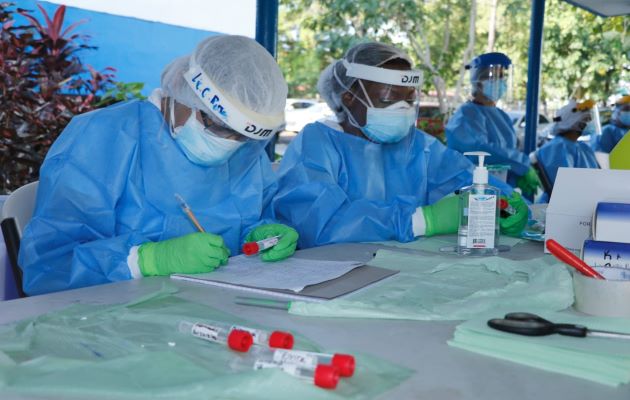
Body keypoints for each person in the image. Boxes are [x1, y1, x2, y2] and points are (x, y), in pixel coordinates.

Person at [19, 35, 298, 296]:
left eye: (242, 137)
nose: (230, 143)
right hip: (109, 319)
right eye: (218, 127)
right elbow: (48, 266)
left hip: (214, 307)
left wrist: (261, 236)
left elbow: (252, 214)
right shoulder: (103, 137)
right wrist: (147, 260)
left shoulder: (243, 152)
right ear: (184, 95)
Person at [272, 42, 527, 249]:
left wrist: (506, 205)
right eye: (389, 98)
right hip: (329, 278)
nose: (402, 109)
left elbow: (466, 180)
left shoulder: (418, 146)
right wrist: (420, 221)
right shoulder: (317, 143)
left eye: (408, 99)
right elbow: (315, 222)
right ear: (349, 97)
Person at [445, 52, 540, 196]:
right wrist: (522, 164)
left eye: (503, 76)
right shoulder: (466, 115)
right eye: (495, 76)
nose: (501, 81)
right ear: (478, 81)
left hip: (500, 189)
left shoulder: (501, 115)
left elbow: (506, 154)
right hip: (471, 191)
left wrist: (517, 174)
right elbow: (480, 149)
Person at [532, 99, 600, 203]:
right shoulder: (557, 148)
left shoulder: (583, 147)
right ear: (574, 122)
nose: (590, 123)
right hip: (563, 207)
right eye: (586, 120)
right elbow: (563, 187)